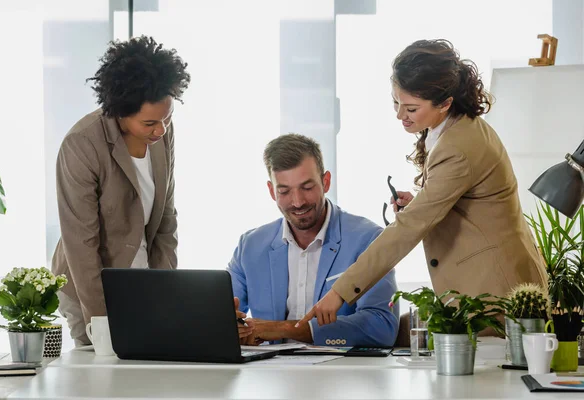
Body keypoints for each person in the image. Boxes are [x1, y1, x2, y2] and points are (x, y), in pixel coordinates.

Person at [297, 39, 547, 328]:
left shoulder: (459, 147)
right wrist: (421, 203)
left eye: (411, 109)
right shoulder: (451, 127)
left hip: (496, 289)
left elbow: (408, 230)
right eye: (396, 102)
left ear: (444, 103)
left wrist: (341, 292)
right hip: (486, 283)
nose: (400, 115)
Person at [51, 36, 190, 346]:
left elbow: (166, 218)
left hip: (144, 282)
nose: (161, 130)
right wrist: (101, 323)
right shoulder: (82, 145)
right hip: (89, 286)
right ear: (119, 111)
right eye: (150, 122)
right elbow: (81, 244)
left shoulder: (162, 134)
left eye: (167, 118)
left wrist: (166, 294)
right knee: (102, 377)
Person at [228, 133, 399, 346]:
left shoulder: (368, 239)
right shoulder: (250, 246)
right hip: (267, 374)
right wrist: (230, 327)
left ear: (326, 182)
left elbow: (382, 327)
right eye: (284, 191)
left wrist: (284, 328)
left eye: (307, 188)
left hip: (342, 373)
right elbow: (222, 318)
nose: (298, 202)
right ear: (272, 191)